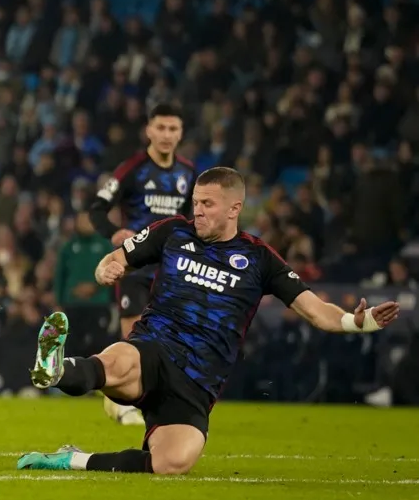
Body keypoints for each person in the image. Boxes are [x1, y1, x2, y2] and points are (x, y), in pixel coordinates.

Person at [20, 167, 399, 474]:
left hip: (198, 383)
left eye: (208, 204)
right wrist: (109, 267)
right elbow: (118, 256)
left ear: (234, 209)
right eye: (196, 202)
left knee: (172, 463)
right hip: (155, 346)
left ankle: (73, 459)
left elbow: (316, 310)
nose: (197, 210)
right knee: (117, 362)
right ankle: (53, 371)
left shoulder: (260, 259)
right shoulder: (172, 231)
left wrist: (357, 322)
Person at [87, 102, 195, 425]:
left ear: (181, 133)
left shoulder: (189, 173)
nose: (166, 135)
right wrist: (114, 233)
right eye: (160, 128)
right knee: (133, 335)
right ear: (148, 130)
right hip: (134, 268)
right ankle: (117, 399)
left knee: (168, 337)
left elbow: (194, 219)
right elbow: (96, 208)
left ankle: (157, 399)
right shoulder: (132, 169)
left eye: (172, 129)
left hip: (172, 270)